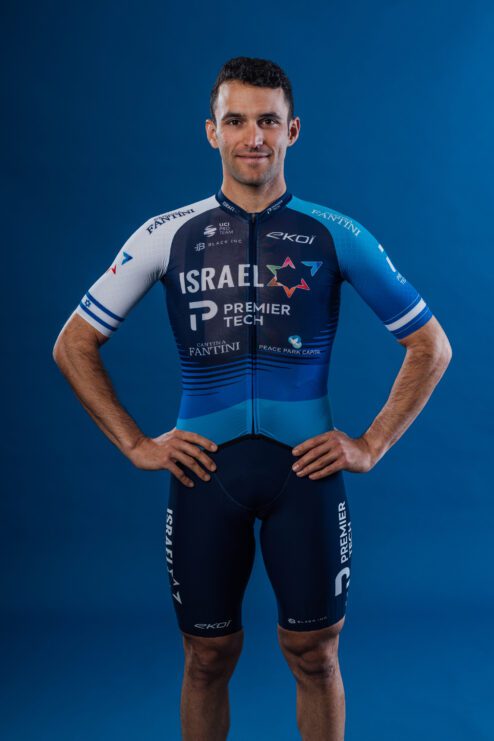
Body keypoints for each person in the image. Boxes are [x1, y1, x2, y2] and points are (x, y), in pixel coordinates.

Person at [53, 56, 452, 741]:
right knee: (206, 658)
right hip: (205, 474)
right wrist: (136, 443)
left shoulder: (335, 234)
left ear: (292, 130)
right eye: (235, 121)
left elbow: (430, 345)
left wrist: (372, 443)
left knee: (315, 654)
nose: (253, 137)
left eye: (268, 121)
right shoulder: (166, 234)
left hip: (306, 474)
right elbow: (74, 344)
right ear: (211, 131)